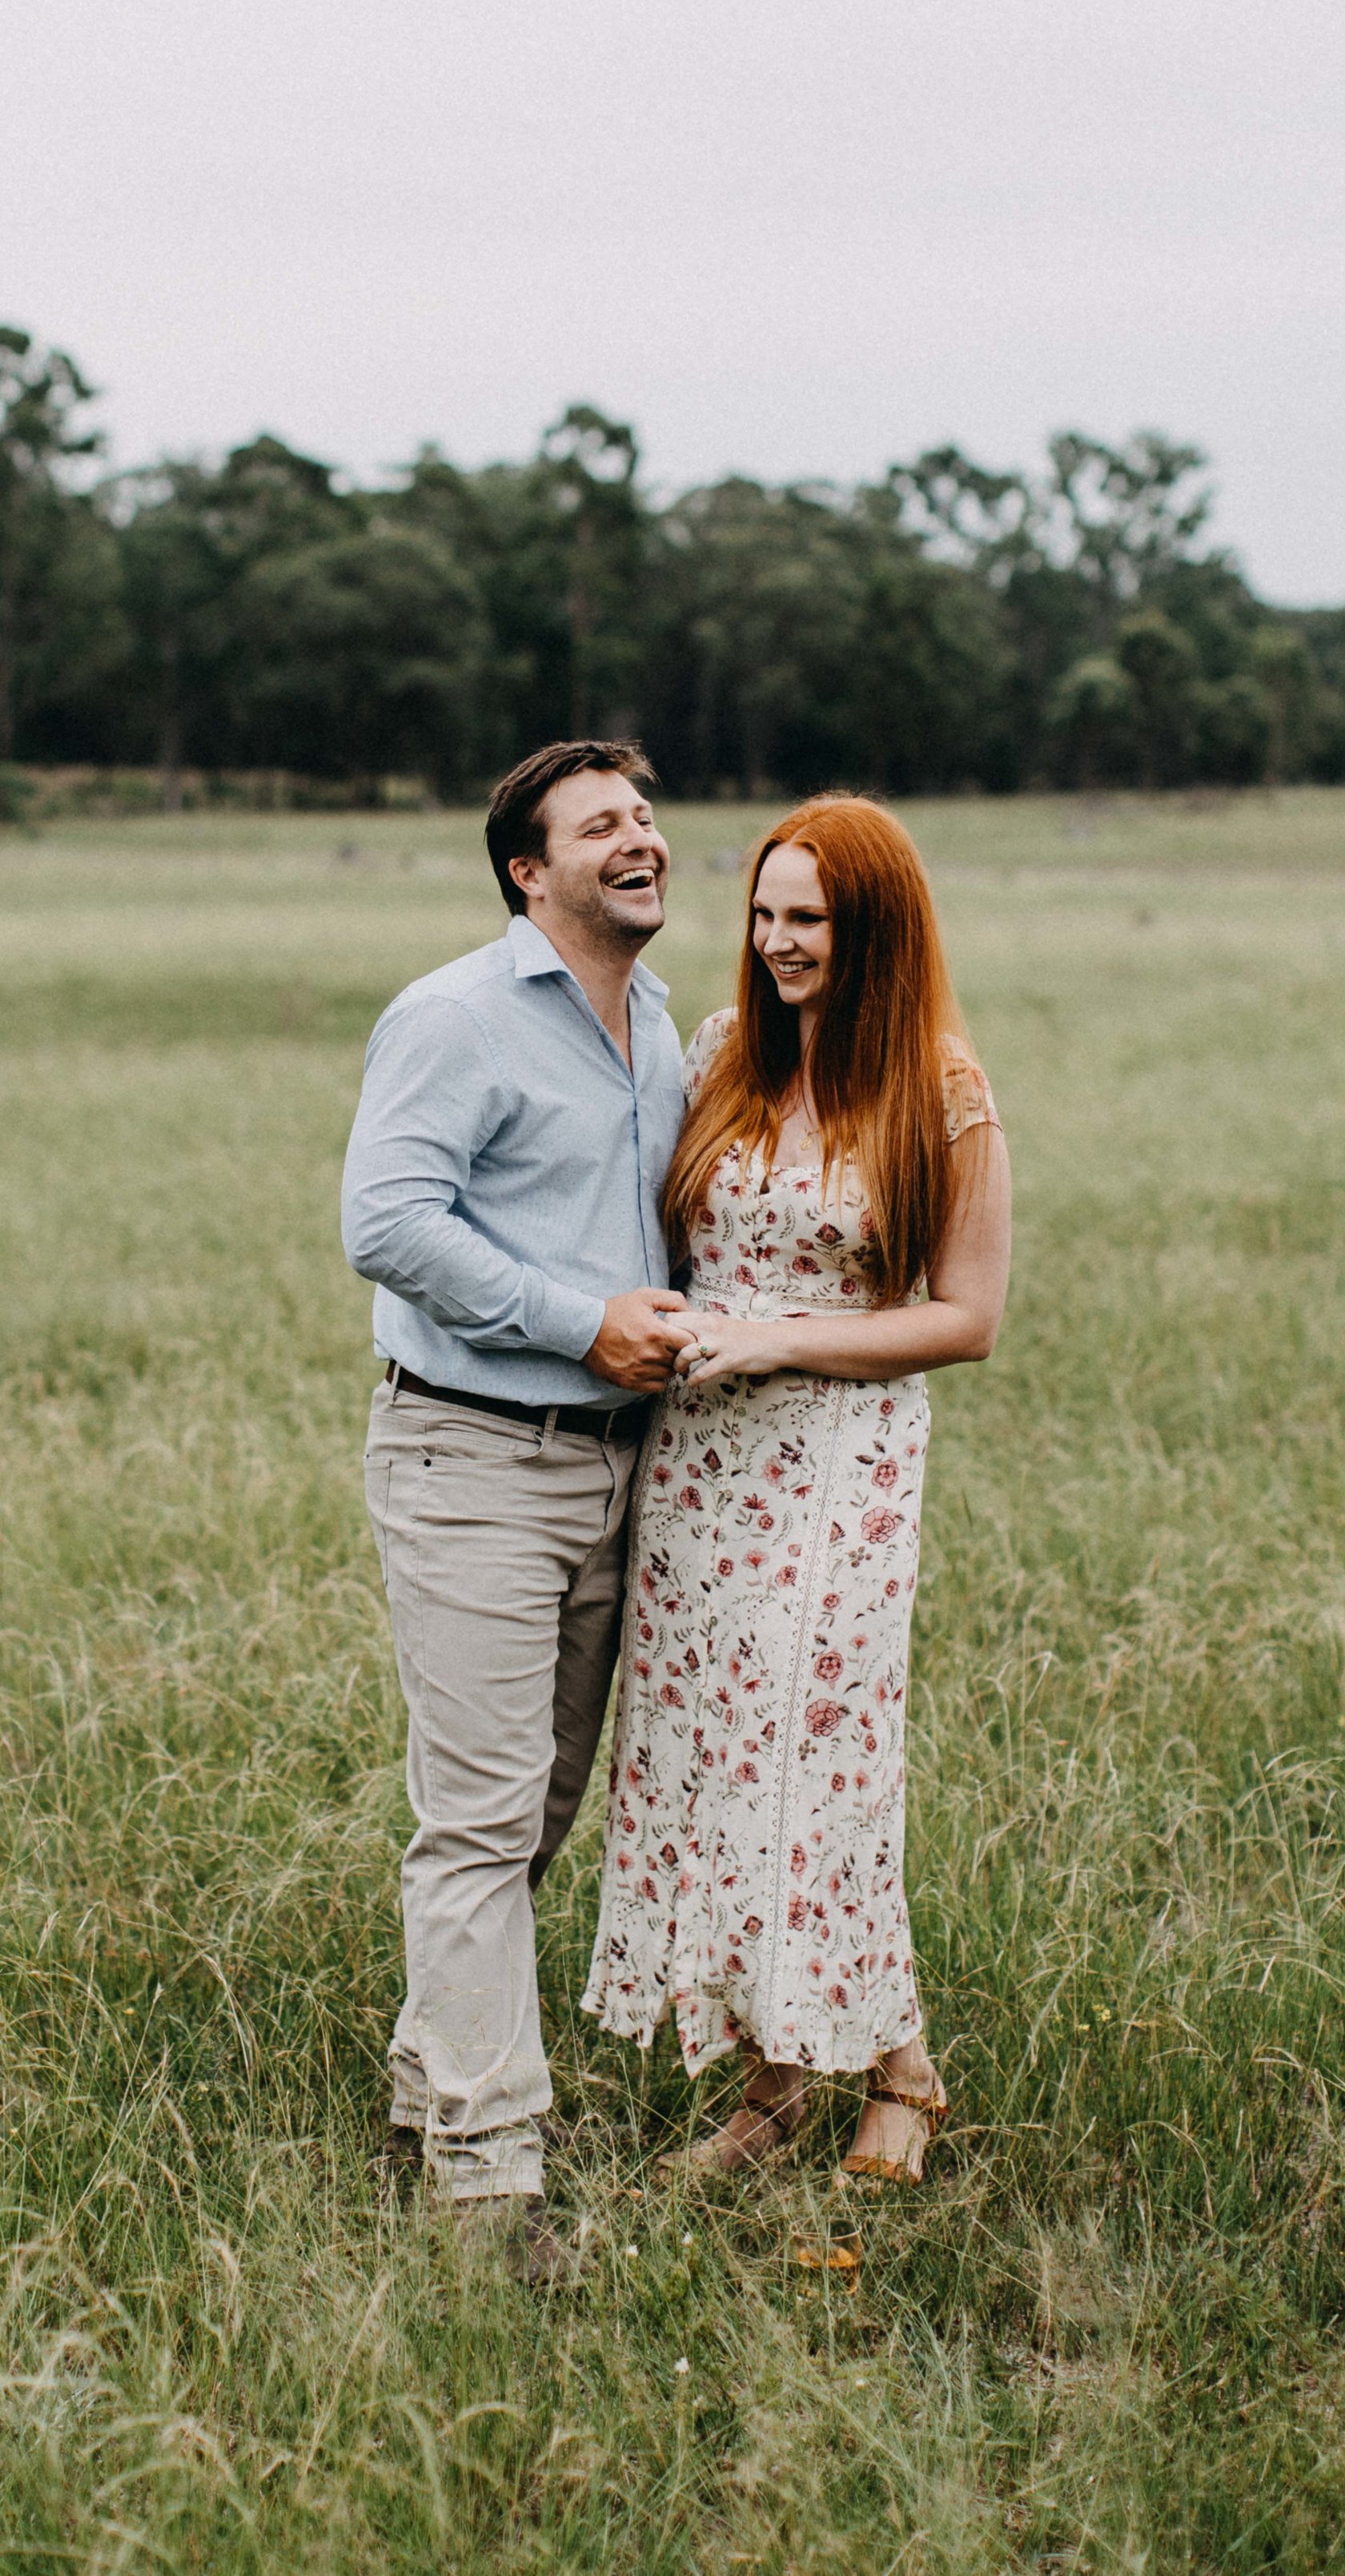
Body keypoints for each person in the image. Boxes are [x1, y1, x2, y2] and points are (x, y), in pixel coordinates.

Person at [583, 794, 1012, 2184]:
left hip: (843, 1465)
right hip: (700, 1467)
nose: (776, 943)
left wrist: (779, 1339)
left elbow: (970, 1314)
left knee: (816, 1760)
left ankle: (890, 2068)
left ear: (873, 926)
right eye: (764, 914)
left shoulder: (940, 1086)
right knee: (714, 1755)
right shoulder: (721, 1053)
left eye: (808, 920)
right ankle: (785, 2074)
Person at [340, 739, 693, 2273]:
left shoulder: (662, 1021)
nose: (641, 839)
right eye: (599, 824)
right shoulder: (457, 1013)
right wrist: (579, 1320)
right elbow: (385, 1218)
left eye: (646, 816)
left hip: (620, 1470)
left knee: (537, 1810)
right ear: (526, 871)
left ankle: (431, 2087)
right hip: (474, 1456)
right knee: (479, 1826)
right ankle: (491, 2194)